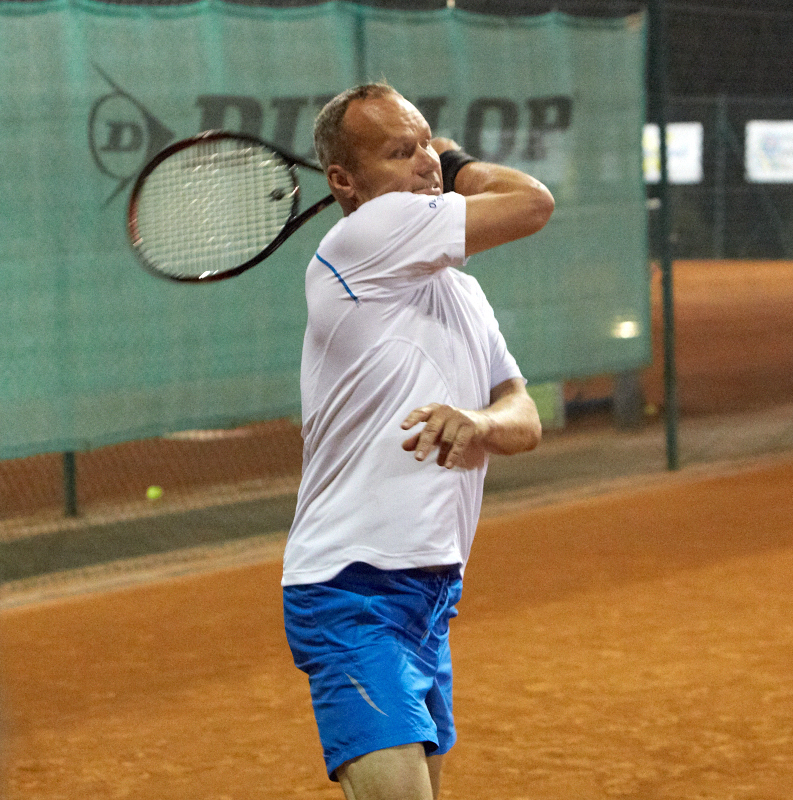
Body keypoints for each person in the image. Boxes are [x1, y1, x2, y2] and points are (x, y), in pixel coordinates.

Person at [281, 83, 553, 800]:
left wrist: (482, 424)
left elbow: (523, 415)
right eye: (400, 152)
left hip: (430, 592)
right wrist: (459, 164)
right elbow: (532, 203)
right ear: (345, 181)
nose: (425, 161)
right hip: (352, 588)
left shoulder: (461, 291)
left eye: (428, 144)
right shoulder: (368, 234)